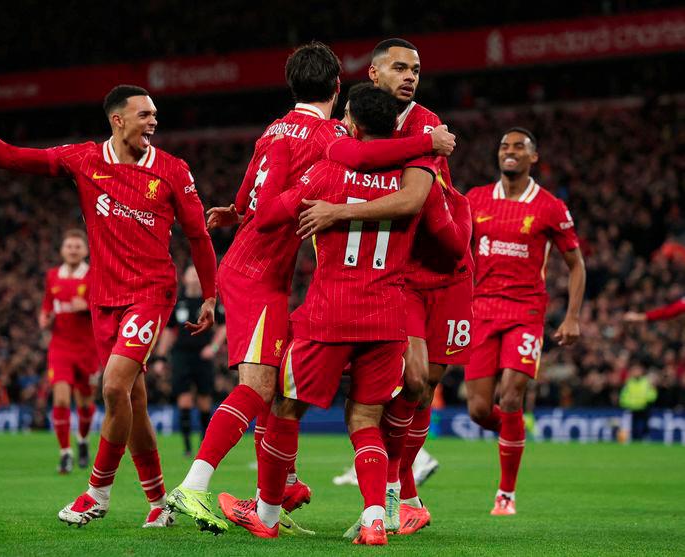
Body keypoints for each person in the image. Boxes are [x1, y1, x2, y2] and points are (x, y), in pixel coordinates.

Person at [168, 41, 453, 535]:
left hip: (301, 293)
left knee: (277, 394)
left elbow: (268, 203)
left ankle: (266, 501)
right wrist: (430, 145)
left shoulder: (288, 136)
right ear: (339, 86)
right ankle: (371, 510)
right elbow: (447, 238)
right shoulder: (404, 173)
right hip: (369, 305)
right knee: (350, 411)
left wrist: (242, 212)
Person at [0, 84, 218, 529]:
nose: (153, 122)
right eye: (144, 115)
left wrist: (209, 293)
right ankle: (160, 501)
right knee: (134, 401)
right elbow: (13, 157)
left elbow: (199, 235)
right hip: (104, 300)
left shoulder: (172, 170)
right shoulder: (84, 159)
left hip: (151, 291)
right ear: (117, 119)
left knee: (112, 388)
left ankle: (97, 493)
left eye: (155, 115)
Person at [219, 83, 429, 545]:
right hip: (387, 315)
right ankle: (376, 517)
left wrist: (259, 188)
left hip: (328, 314)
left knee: (284, 406)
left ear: (350, 123)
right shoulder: (412, 178)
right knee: (365, 420)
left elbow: (272, 214)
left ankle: (269, 515)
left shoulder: (328, 171)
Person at [296, 37, 472, 535]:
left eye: (415, 68)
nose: (410, 75)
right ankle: (399, 495)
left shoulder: (429, 123)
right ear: (373, 75)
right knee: (412, 380)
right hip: (396, 277)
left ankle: (397, 495)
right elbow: (340, 154)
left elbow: (415, 200)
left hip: (445, 267)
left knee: (424, 385)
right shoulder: (359, 127)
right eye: (399, 67)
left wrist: (338, 211)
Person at [465, 127, 585, 515]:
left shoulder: (550, 207)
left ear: (534, 157)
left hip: (526, 312)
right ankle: (514, 432)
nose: (510, 151)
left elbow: (576, 264)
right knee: (480, 411)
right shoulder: (476, 199)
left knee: (512, 395)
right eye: (504, 146)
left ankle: (506, 494)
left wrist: (571, 317)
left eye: (519, 146)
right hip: (481, 311)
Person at [39, 228, 100, 474]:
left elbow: (104, 307)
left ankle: (83, 441)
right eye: (69, 246)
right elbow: (46, 306)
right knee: (61, 398)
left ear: (85, 250)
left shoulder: (94, 274)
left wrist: (87, 306)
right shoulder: (52, 276)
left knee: (85, 402)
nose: (73, 250)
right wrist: (44, 318)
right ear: (62, 250)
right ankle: (65, 453)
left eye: (77, 246)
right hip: (60, 346)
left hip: (88, 348)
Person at [157, 265, 226, 457]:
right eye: (191, 274)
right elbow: (169, 331)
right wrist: (161, 357)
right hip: (181, 355)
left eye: (198, 274)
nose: (195, 278)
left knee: (204, 400)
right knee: (184, 400)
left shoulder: (209, 302)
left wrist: (212, 348)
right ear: (185, 279)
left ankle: (204, 446)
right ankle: (187, 447)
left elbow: (223, 327)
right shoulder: (178, 302)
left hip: (202, 355)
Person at [619, 364, 658, 441]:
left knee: (645, 426)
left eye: (638, 371)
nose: (636, 372)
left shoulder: (646, 382)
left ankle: (645, 438)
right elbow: (623, 396)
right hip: (632, 409)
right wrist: (627, 404)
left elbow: (653, 396)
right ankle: (634, 440)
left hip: (644, 408)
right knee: (633, 427)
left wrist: (647, 399)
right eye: (635, 371)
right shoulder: (629, 382)